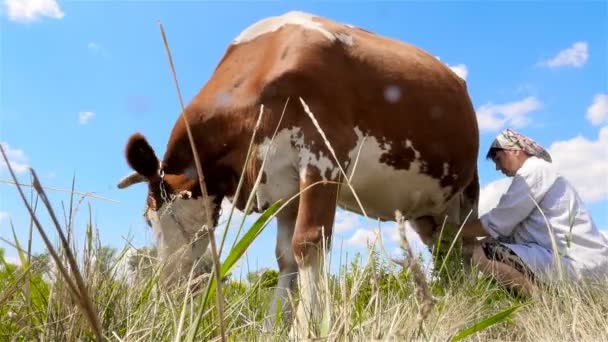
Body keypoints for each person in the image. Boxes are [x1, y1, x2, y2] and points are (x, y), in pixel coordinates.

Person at [461, 128, 608, 295]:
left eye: (498, 159)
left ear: (514, 150)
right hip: (583, 263)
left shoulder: (534, 170)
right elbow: (508, 231)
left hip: (579, 264)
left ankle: (543, 304)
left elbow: (498, 221)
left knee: (483, 252)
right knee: (493, 246)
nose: (497, 168)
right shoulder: (539, 173)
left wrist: (452, 231)